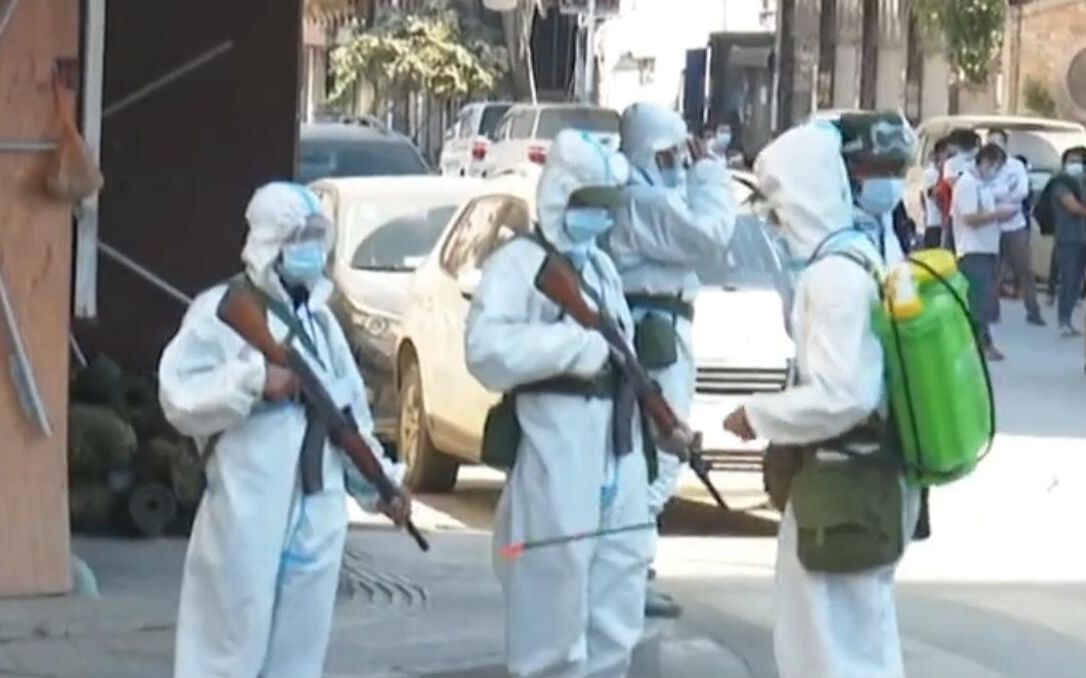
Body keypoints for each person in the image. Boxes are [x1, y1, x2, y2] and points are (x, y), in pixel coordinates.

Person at [159, 182, 412, 678]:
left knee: (299, 650)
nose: (310, 249)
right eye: (299, 237)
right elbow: (178, 395)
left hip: (319, 505)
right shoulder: (221, 310)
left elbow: (349, 417)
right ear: (271, 241)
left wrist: (381, 485)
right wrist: (254, 381)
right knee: (228, 642)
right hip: (249, 502)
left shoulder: (322, 325)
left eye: (317, 236)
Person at [722, 112, 922, 678]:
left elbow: (844, 394)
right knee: (860, 634)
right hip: (865, 477)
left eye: (780, 202)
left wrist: (758, 414)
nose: (776, 218)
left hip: (844, 480)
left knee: (827, 643)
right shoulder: (863, 256)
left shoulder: (835, 276)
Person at [465, 130, 654, 677]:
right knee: (552, 595)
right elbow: (485, 349)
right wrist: (574, 347)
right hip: (557, 445)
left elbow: (621, 351)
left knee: (618, 596)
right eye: (588, 203)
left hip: (617, 444)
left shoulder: (600, 269)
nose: (599, 217)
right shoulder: (518, 265)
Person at [606, 102, 738, 619]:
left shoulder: (644, 196)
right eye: (668, 155)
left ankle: (630, 569)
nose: (678, 165)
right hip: (656, 332)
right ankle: (627, 572)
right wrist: (711, 174)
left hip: (660, 328)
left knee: (650, 456)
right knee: (662, 454)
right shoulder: (641, 200)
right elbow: (709, 234)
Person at [952, 143, 1018, 361]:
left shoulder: (983, 185)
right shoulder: (967, 184)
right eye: (996, 166)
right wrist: (998, 215)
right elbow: (970, 218)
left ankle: (981, 343)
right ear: (986, 162)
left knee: (985, 299)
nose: (997, 172)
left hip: (987, 248)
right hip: (973, 250)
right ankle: (981, 345)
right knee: (978, 300)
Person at [986, 128, 1044, 326]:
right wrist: (1004, 192)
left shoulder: (1016, 166)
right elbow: (985, 194)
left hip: (1015, 225)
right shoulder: (986, 165)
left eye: (998, 141)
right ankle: (992, 312)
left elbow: (1022, 191)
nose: (995, 145)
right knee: (994, 272)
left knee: (1025, 269)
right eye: (991, 141)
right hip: (992, 225)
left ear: (1005, 143)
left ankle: (1033, 311)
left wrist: (999, 194)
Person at [1048, 146, 1086, 336]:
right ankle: (1064, 321)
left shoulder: (1082, 182)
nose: (1076, 164)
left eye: (1079, 161)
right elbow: (1074, 207)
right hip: (1068, 239)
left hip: (1082, 238)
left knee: (1077, 283)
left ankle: (1069, 321)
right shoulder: (1061, 184)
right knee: (1068, 281)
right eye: (1072, 161)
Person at [922, 138, 950, 248]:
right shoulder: (932, 173)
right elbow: (935, 195)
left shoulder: (944, 172)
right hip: (936, 225)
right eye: (948, 155)